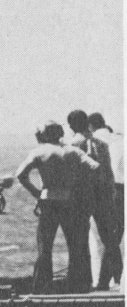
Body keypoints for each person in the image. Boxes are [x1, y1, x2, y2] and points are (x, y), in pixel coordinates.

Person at [15, 121, 100, 294]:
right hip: (69, 201)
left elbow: (21, 175)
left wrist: (36, 193)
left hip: (48, 201)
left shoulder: (39, 152)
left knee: (44, 247)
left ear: (45, 134)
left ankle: (42, 287)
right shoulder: (73, 151)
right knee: (74, 245)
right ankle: (76, 286)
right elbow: (94, 167)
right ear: (60, 133)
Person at [67, 109, 120, 289]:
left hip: (82, 195)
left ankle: (82, 282)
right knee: (109, 239)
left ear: (72, 126)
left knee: (79, 239)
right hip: (103, 194)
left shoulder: (73, 144)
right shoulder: (101, 143)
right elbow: (109, 172)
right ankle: (112, 279)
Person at [88, 112, 124, 286]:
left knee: (98, 241)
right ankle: (112, 279)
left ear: (90, 126)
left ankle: (102, 281)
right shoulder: (121, 139)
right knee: (116, 238)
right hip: (122, 190)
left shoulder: (91, 141)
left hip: (101, 192)